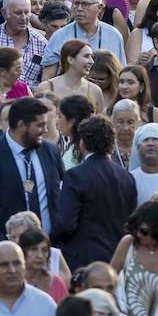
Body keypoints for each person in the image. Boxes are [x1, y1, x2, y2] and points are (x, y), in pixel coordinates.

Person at [0, 97, 64, 242]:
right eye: (40, 125)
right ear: (21, 125)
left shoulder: (50, 151)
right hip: (9, 251)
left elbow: (62, 193)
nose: (45, 130)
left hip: (50, 247)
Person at [52, 114, 138, 270]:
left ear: (82, 143)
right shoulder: (126, 177)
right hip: (118, 259)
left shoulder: (76, 175)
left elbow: (65, 224)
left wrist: (51, 239)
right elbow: (131, 223)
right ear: (112, 143)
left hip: (82, 260)